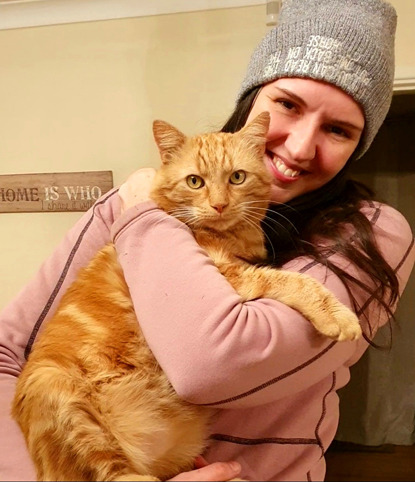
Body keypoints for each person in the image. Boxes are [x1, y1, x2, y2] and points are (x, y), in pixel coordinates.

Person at [1, 0, 414, 480]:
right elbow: (8, 352)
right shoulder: (133, 203)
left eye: (339, 130)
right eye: (287, 104)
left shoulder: (370, 232)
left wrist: (145, 217)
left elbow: (210, 365)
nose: (300, 147)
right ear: (253, 100)